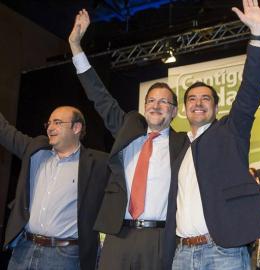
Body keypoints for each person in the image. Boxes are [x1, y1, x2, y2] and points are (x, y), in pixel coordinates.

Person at [69, 9, 187, 270]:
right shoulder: (128, 132)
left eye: (163, 102)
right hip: (118, 236)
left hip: (160, 239)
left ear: (175, 111)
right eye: (151, 100)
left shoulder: (183, 145)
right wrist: (75, 46)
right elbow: (99, 95)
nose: (156, 106)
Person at [164, 1, 260, 269]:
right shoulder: (177, 145)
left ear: (216, 107)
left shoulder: (230, 131)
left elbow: (250, 90)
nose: (198, 102)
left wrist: (258, 35)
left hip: (223, 252)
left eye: (205, 99)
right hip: (181, 254)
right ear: (184, 108)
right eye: (192, 98)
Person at [1, 106, 110, 270]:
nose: (50, 128)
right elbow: (5, 131)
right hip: (24, 250)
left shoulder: (98, 164)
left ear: (76, 128)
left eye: (58, 122)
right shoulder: (36, 151)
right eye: (49, 123)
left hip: (64, 258)